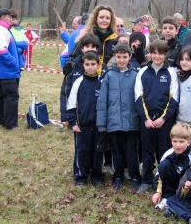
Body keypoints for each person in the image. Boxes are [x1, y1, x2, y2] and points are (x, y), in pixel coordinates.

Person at [134, 40, 179, 194]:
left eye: (161, 53)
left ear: (166, 55)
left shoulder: (171, 73)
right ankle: (146, 180)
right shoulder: (142, 72)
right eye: (154, 53)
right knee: (147, 150)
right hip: (146, 121)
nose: (157, 56)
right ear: (150, 54)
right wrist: (146, 119)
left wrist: (163, 119)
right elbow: (138, 97)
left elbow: (174, 99)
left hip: (164, 120)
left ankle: (163, 181)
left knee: (165, 151)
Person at [97, 44, 141, 190]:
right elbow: (103, 101)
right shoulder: (109, 76)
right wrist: (102, 124)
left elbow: (140, 100)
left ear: (130, 57)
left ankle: (135, 176)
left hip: (132, 122)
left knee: (132, 151)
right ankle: (118, 176)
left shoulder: (136, 76)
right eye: (119, 57)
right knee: (117, 151)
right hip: (114, 122)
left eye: (125, 57)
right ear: (114, 57)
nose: (121, 60)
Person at [66, 51, 104, 187]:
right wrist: (73, 122)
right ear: (83, 65)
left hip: (98, 126)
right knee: (82, 151)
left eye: (93, 64)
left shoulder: (102, 83)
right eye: (87, 64)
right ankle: (81, 176)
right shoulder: (78, 83)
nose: (90, 67)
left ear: (98, 64)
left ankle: (97, 175)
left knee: (97, 152)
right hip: (82, 126)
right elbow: (71, 104)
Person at [151, 122, 191, 210]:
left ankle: (186, 200)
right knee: (164, 165)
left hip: (188, 188)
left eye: (181, 141)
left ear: (189, 142)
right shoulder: (167, 154)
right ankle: (167, 198)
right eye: (175, 141)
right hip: (172, 185)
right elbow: (158, 176)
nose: (177, 145)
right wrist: (158, 192)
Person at [60, 34, 100, 123]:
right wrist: (66, 116)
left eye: (93, 47)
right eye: (87, 46)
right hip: (79, 115)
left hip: (96, 115)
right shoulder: (73, 66)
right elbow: (66, 91)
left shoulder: (101, 67)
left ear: (97, 49)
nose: (90, 49)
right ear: (82, 48)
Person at [72, 6, 117, 76]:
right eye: (101, 17)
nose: (104, 20)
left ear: (111, 20)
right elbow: (73, 58)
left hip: (108, 81)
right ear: (96, 19)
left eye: (107, 18)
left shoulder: (115, 40)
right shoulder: (87, 38)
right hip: (87, 79)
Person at [0, 8, 20, 130]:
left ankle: (1, 120)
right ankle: (11, 123)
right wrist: (14, 63)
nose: (10, 18)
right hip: (7, 71)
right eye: (8, 16)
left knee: (1, 97)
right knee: (11, 96)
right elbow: (1, 50)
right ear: (2, 17)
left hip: (1, 71)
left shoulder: (2, 29)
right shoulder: (1, 30)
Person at [9, 10, 28, 74]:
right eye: (12, 19)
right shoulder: (5, 30)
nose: (14, 21)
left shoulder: (20, 30)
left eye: (15, 19)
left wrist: (14, 44)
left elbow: (25, 44)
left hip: (19, 59)